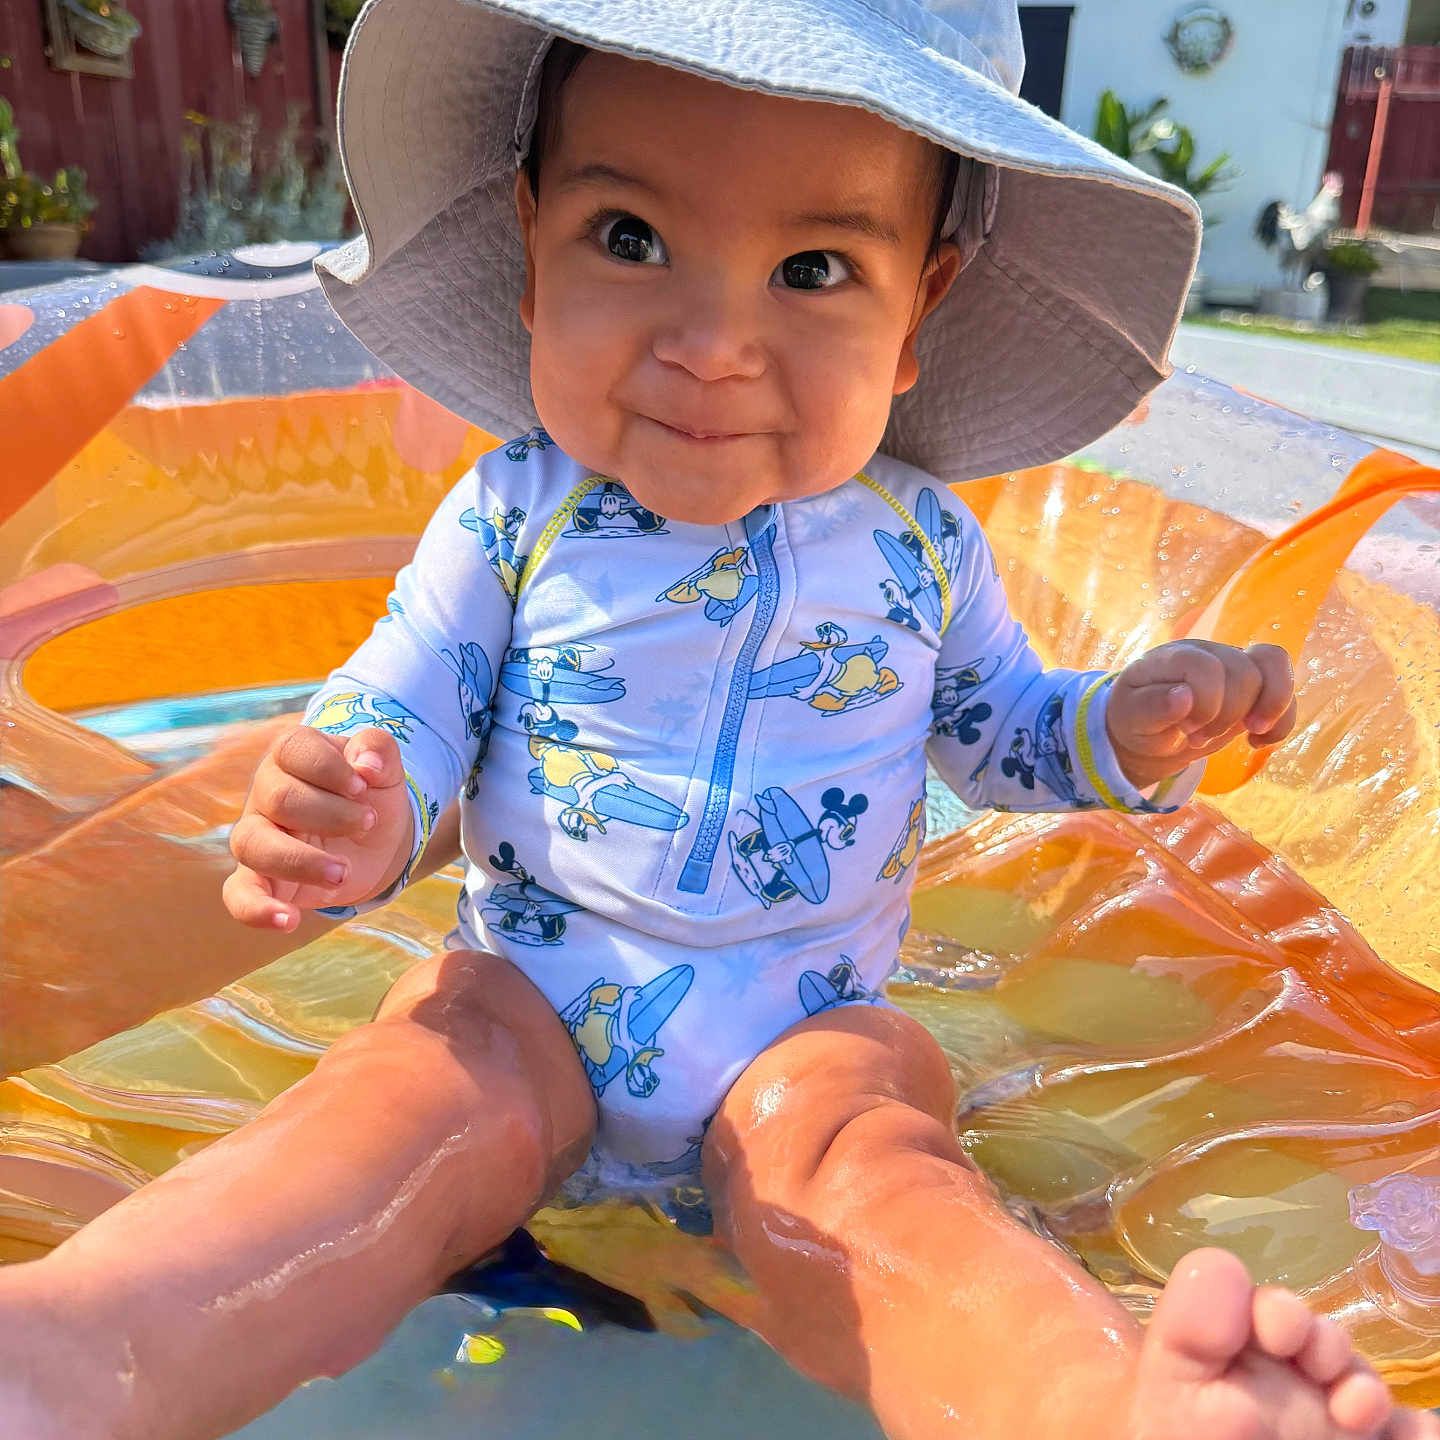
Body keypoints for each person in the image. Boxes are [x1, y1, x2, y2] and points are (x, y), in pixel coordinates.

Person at [4, 3, 1435, 1438]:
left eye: (813, 269)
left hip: (801, 1033)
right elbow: (403, 704)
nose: (711, 342)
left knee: (872, 1172)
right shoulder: (514, 514)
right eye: (630, 239)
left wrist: (1127, 725)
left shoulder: (919, 543)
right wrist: (354, 808)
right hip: (534, 1009)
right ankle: (84, 1350)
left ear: (919, 310)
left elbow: (1003, 732)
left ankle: (1105, 1410)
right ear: (530, 243)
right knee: (398, 1102)